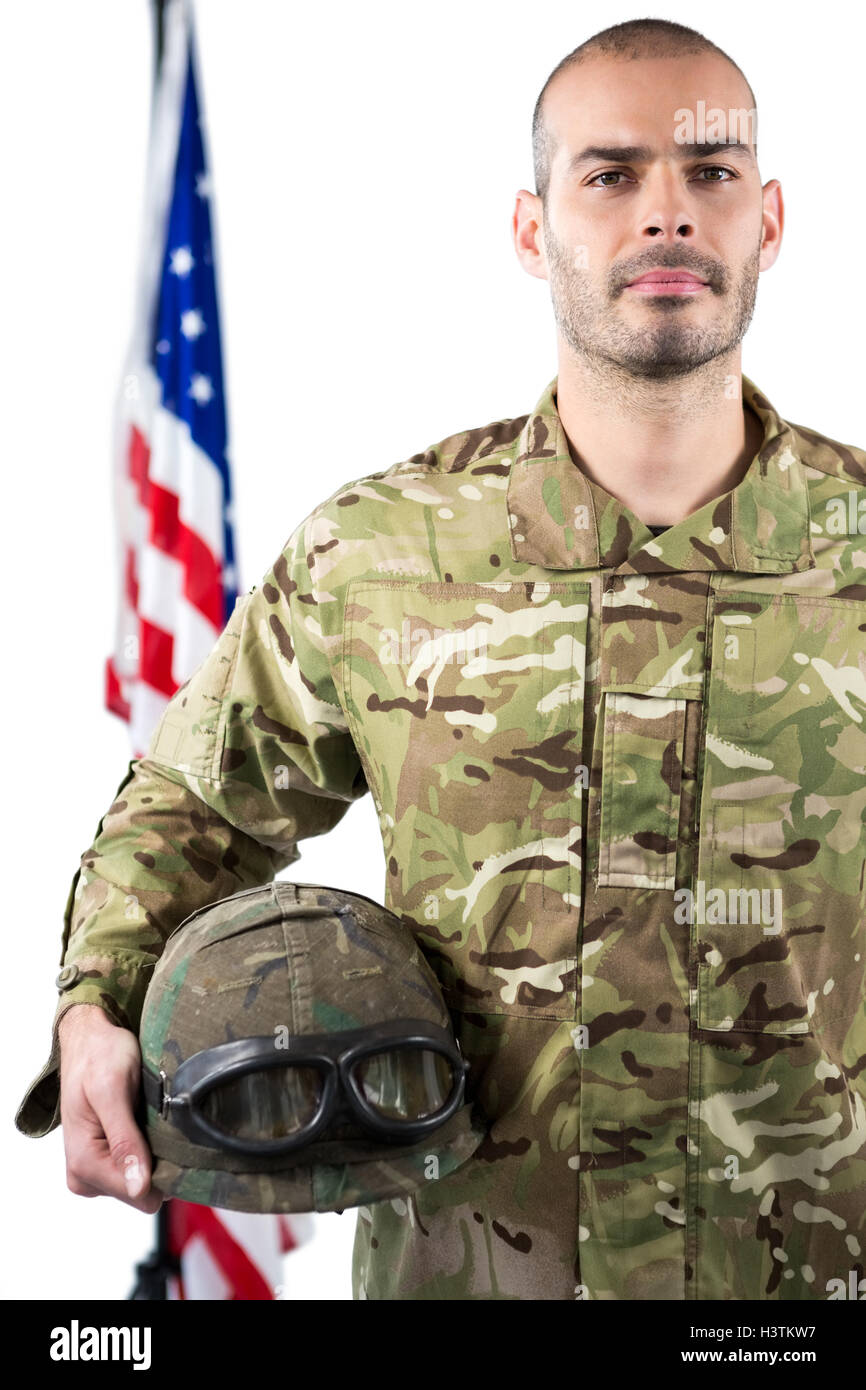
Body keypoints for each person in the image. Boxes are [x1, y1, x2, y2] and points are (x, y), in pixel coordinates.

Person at [16, 17, 866, 1300]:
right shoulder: (379, 555)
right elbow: (192, 805)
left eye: (709, 173)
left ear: (770, 219)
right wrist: (95, 1006)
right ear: (531, 230)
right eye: (608, 174)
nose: (666, 215)